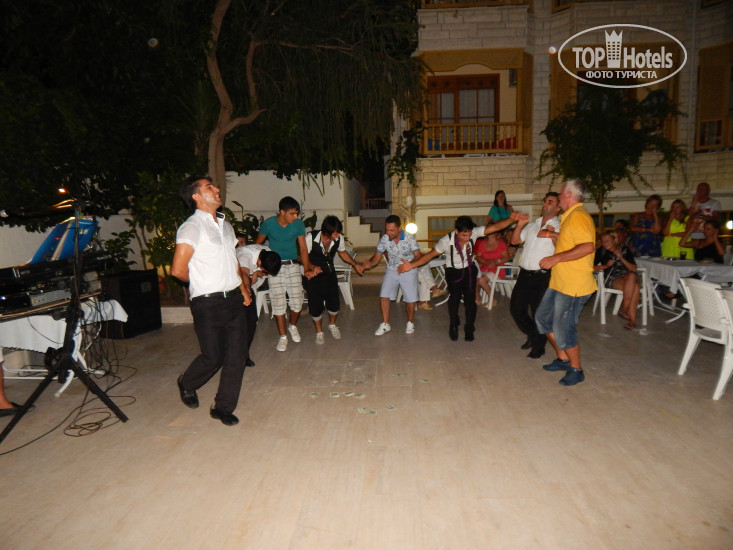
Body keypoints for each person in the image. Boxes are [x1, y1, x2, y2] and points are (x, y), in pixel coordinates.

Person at [171, 174, 250, 426]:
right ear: (196, 196)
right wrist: (202, 283)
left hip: (234, 299)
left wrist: (243, 289)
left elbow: (233, 260)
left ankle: (222, 407)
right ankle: (187, 382)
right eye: (209, 187)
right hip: (208, 303)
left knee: (236, 356)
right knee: (212, 357)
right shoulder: (192, 227)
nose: (216, 189)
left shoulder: (225, 225)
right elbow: (178, 270)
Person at [398, 213, 524, 341]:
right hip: (453, 271)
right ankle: (453, 324)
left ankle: (469, 327)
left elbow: (495, 228)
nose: (467, 238)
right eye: (464, 235)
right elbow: (429, 256)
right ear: (456, 231)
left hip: (469, 269)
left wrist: (512, 219)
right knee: (455, 298)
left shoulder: (474, 233)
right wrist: (411, 265)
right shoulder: (445, 241)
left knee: (470, 300)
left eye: (469, 234)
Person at [536, 179, 597, 386]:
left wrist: (556, 258)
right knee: (543, 319)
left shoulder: (579, 216)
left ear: (569, 195)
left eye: (561, 194)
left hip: (574, 285)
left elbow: (587, 246)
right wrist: (553, 236)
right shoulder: (569, 216)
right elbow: (570, 241)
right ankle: (563, 359)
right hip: (560, 282)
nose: (559, 197)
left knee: (564, 329)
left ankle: (576, 369)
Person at [255, 196, 313, 352]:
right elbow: (257, 246)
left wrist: (307, 269)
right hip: (275, 267)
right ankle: (283, 337)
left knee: (297, 301)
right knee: (278, 302)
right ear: (282, 212)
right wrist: (260, 267)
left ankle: (292, 326)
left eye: (296, 213)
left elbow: (303, 249)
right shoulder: (269, 224)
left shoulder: (298, 224)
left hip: (293, 265)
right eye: (292, 213)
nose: (295, 217)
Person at [509, 191, 561, 359]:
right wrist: (519, 225)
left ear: (558, 208)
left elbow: (563, 248)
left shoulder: (560, 226)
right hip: (525, 274)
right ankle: (534, 334)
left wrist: (551, 234)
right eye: (545, 201)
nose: (546, 204)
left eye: (550, 202)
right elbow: (514, 241)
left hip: (543, 276)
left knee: (539, 312)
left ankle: (538, 347)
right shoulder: (533, 224)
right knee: (516, 309)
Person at [303, 216, 363, 344]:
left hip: (329, 274)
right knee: (315, 305)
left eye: (338, 233)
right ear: (326, 232)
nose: (338, 235)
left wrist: (355, 264)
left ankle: (332, 324)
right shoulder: (311, 238)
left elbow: (343, 253)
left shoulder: (338, 239)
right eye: (335, 233)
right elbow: (302, 257)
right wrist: (312, 267)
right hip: (313, 276)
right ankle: (319, 332)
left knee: (334, 303)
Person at [360, 215, 422, 335]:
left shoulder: (409, 238)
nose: (388, 233)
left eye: (392, 230)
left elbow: (419, 256)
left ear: (399, 228)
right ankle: (385, 324)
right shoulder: (384, 239)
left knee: (410, 300)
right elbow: (376, 258)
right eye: (387, 229)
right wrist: (368, 264)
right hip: (392, 269)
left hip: (408, 269)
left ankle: (410, 322)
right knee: (384, 296)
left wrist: (409, 265)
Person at [235, 238, 282, 365]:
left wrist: (257, 272)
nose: (265, 272)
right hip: (233, 286)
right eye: (264, 269)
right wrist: (247, 292)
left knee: (251, 320)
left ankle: (244, 355)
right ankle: (232, 355)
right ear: (259, 261)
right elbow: (243, 274)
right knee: (238, 323)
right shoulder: (244, 255)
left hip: (246, 284)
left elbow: (264, 272)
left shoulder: (266, 252)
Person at [594, 230, 641, 330]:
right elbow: (591, 267)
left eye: (607, 240)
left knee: (632, 277)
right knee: (635, 287)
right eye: (603, 241)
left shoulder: (625, 249)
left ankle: (625, 311)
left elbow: (634, 268)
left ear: (615, 239)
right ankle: (631, 319)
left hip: (627, 276)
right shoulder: (601, 251)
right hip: (610, 277)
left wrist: (621, 258)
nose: (604, 243)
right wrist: (605, 266)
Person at [474, 228, 513, 309]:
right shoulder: (483, 243)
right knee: (474, 277)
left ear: (495, 232)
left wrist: (496, 261)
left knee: (481, 280)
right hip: (485, 267)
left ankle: (493, 299)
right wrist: (485, 261)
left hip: (497, 268)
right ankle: (477, 297)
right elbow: (478, 256)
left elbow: (507, 257)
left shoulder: (501, 243)